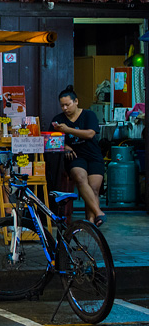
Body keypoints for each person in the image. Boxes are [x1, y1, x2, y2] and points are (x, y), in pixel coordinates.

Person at [51, 85, 106, 227]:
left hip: (93, 155)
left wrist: (67, 130)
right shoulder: (58, 120)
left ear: (76, 102)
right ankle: (99, 213)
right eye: (62, 105)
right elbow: (52, 141)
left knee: (94, 189)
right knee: (80, 178)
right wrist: (65, 146)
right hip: (75, 157)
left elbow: (90, 133)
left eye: (67, 104)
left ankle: (91, 223)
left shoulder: (89, 115)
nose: (65, 108)